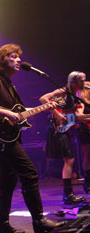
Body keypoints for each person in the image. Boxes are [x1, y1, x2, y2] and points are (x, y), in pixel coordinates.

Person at [0, 44, 62, 233]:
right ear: (2, 60)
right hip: (1, 137)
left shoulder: (9, 84)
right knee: (29, 173)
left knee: (8, 181)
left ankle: (2, 226)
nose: (18, 60)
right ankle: (39, 221)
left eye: (18, 57)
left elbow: (21, 113)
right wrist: (6, 112)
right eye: (13, 57)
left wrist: (47, 107)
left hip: (9, 135)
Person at [40, 71, 88, 204]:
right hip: (57, 128)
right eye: (82, 81)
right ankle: (68, 195)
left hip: (67, 129)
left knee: (70, 159)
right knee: (69, 160)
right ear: (73, 81)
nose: (84, 83)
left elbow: (78, 116)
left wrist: (82, 116)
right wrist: (56, 113)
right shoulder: (62, 91)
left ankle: (68, 194)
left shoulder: (76, 96)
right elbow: (43, 98)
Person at [78, 81, 90, 193]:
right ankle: (88, 181)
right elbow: (79, 116)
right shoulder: (81, 102)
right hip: (86, 129)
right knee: (87, 155)